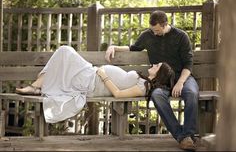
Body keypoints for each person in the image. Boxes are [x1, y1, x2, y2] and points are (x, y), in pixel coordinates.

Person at [105, 10, 199, 150]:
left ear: (165, 24)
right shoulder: (148, 35)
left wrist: (180, 83)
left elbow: (188, 64)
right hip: (161, 80)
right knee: (156, 95)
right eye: (152, 30)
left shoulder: (181, 36)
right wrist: (113, 47)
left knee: (191, 93)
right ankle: (182, 137)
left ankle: (189, 135)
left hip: (182, 77)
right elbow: (133, 47)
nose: (154, 33)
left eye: (157, 30)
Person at [15, 45, 175, 125]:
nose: (153, 65)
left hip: (92, 81)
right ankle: (39, 84)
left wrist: (104, 76)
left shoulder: (143, 87)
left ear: (159, 75)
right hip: (92, 75)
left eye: (157, 66)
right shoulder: (143, 80)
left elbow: (118, 94)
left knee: (65, 51)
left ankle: (38, 85)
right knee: (64, 52)